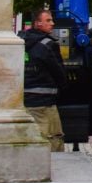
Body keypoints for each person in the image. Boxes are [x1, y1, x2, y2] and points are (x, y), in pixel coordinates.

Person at [20, 8, 66, 152]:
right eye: (48, 20)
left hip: (25, 100)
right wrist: (64, 87)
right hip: (45, 103)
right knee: (53, 138)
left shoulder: (21, 42)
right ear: (37, 23)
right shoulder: (48, 44)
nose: (52, 23)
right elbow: (58, 72)